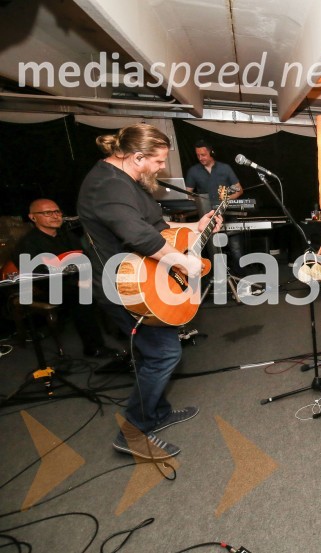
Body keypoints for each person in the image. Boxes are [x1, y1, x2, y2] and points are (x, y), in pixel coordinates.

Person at [78, 123, 220, 460]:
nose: (161, 168)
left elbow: (155, 227)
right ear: (136, 156)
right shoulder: (107, 186)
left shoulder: (129, 181)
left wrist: (194, 227)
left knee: (154, 352)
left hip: (144, 278)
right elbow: (139, 238)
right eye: (158, 162)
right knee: (163, 355)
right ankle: (132, 432)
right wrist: (183, 264)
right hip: (124, 287)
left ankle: (156, 413)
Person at [15, 198, 116, 358]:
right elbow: (38, 276)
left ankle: (125, 334)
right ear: (33, 217)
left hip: (75, 281)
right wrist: (76, 282)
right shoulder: (28, 244)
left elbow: (85, 259)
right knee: (82, 296)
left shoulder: (67, 236)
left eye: (57, 211)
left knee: (111, 284)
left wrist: (89, 276)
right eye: (48, 213)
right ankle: (94, 348)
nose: (55, 216)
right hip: (47, 287)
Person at [184, 140, 246, 276]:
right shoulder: (193, 171)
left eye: (203, 154)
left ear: (211, 152)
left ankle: (242, 283)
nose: (201, 158)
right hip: (207, 217)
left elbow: (239, 190)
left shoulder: (225, 168)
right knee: (212, 253)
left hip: (228, 214)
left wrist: (225, 200)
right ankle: (218, 283)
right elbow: (188, 194)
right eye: (198, 155)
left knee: (237, 250)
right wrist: (198, 199)